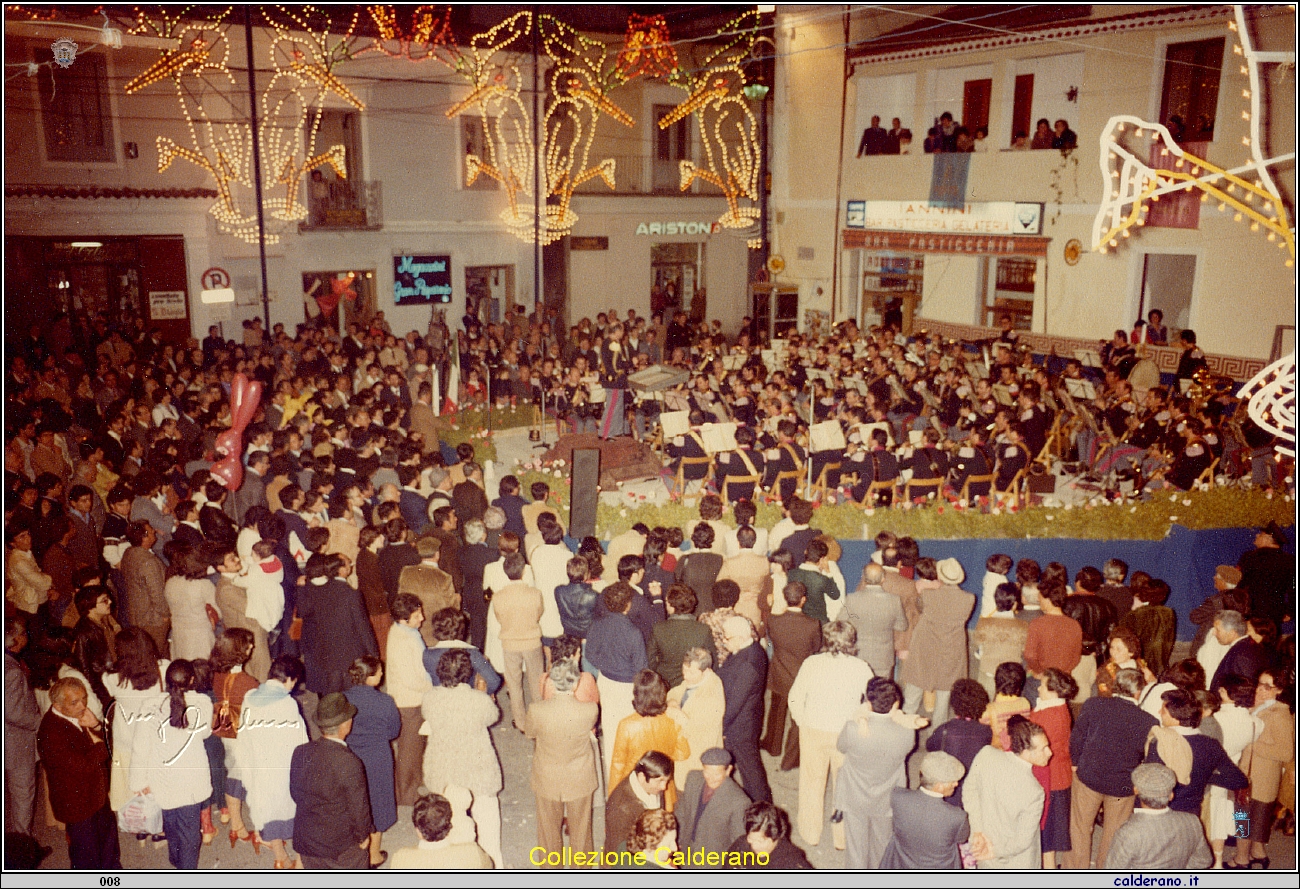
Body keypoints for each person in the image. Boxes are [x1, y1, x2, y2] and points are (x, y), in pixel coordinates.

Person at [787, 619, 876, 847]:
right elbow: (871, 702)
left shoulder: (811, 663)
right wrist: (860, 719)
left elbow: (795, 696)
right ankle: (842, 838)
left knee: (811, 783)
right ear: (851, 642)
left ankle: (810, 833)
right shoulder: (861, 667)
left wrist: (802, 720)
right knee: (844, 787)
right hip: (845, 733)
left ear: (826, 640)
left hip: (813, 730)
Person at [1064, 667, 1158, 869]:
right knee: (1114, 833)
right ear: (1138, 691)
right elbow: (1147, 757)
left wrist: (1074, 765)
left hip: (1088, 776)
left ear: (1115, 685)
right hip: (1122, 786)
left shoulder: (1093, 704)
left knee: (1079, 828)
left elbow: (1077, 737)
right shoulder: (1148, 721)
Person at [422, 649, 504, 868]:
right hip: (477, 767)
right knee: (487, 818)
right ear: (467, 672)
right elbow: (493, 716)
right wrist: (484, 693)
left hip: (443, 768)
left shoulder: (430, 698)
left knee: (448, 825)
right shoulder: (478, 700)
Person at [129, 659, 213, 870]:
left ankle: (177, 862)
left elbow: (140, 746)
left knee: (171, 825)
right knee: (189, 832)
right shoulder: (201, 703)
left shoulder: (149, 706)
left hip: (162, 779)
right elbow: (204, 732)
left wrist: (138, 781)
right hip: (191, 780)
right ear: (192, 680)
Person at [836, 677, 921, 869]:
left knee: (856, 848)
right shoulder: (907, 732)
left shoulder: (853, 728)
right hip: (887, 797)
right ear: (895, 704)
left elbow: (841, 747)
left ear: (868, 702)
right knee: (882, 844)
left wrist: (860, 716)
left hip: (855, 794)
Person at [37, 677, 121, 869]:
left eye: (83, 698)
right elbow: (83, 765)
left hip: (96, 794)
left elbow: (107, 744)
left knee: (108, 844)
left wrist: (97, 726)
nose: (83, 705)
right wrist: (102, 745)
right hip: (76, 804)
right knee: (86, 856)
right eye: (74, 702)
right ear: (57, 705)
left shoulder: (75, 715)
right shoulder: (50, 732)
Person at [526, 658, 599, 866]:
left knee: (548, 832)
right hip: (580, 778)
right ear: (576, 684)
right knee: (581, 832)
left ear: (551, 682)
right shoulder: (590, 710)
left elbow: (530, 733)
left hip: (547, 777)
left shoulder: (536, 710)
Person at [238, 654, 308, 869]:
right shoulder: (287, 704)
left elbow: (244, 737)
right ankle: (300, 861)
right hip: (282, 770)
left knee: (268, 811)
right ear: (289, 679)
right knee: (297, 813)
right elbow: (301, 742)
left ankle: (280, 858)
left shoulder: (249, 698)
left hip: (259, 768)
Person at [290, 692, 374, 869]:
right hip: (339, 848)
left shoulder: (300, 751)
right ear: (346, 724)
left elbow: (295, 794)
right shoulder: (349, 761)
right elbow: (359, 808)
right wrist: (363, 837)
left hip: (307, 841)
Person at [963, 715, 1052, 869]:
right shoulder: (1035, 792)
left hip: (984, 850)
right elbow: (1023, 840)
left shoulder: (986, 754)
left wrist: (977, 830)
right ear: (1026, 752)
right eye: (1043, 748)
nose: (1050, 752)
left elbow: (970, 791)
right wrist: (994, 851)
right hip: (1016, 861)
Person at [1231, 668, 1294, 868]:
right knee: (1252, 820)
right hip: (1248, 773)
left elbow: (1286, 752)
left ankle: (1241, 858)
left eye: (1268, 687)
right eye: (1260, 684)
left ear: (1279, 690)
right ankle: (1258, 853)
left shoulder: (1280, 714)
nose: (1261, 689)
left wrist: (1252, 743)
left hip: (1262, 778)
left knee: (1245, 819)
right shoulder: (1259, 707)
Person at [900, 557, 974, 725]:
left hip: (925, 646)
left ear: (939, 576)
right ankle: (938, 733)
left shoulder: (927, 595)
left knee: (914, 691)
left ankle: (906, 726)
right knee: (944, 694)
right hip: (951, 650)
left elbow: (919, 608)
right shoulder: (969, 598)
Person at [343, 655, 401, 868]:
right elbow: (393, 731)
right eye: (379, 672)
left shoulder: (342, 698)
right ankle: (374, 855)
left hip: (349, 754)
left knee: (353, 800)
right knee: (377, 801)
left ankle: (355, 850)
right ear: (370, 677)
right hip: (377, 756)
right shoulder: (385, 701)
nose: (382, 674)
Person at [761, 581, 822, 770]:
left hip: (779, 673)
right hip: (801, 676)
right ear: (803, 600)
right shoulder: (813, 624)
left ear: (785, 598)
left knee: (776, 711)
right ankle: (791, 759)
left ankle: (773, 746)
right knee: (798, 719)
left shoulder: (773, 620)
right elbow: (816, 647)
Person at [299, 552, 378, 696]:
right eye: (348, 563)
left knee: (333, 695)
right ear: (342, 570)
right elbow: (363, 627)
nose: (351, 566)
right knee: (353, 695)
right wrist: (373, 653)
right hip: (350, 654)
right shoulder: (352, 594)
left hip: (327, 654)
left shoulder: (319, 591)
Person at [210, 629, 260, 852]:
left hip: (225, 726)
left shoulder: (218, 674)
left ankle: (235, 821)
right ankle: (237, 826)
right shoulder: (247, 681)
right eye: (248, 645)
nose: (252, 648)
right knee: (238, 774)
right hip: (242, 732)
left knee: (233, 768)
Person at [1107, 763, 1212, 869]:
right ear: (1171, 795)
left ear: (1136, 790)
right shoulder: (1192, 822)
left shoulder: (1128, 832)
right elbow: (1204, 860)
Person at [878, 751, 970, 870]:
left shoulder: (898, 797)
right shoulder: (957, 816)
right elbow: (962, 839)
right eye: (952, 781)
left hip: (901, 865)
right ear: (939, 786)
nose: (956, 784)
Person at [716, 614, 770, 804]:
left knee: (751, 773)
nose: (723, 641)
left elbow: (735, 704)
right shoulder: (748, 648)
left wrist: (720, 727)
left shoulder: (748, 663)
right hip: (745, 720)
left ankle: (763, 809)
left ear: (740, 637)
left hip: (740, 727)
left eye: (726, 637)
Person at [676, 747, 751, 866]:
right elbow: (681, 813)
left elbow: (738, 842)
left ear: (728, 771)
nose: (710, 778)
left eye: (716, 774)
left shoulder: (739, 802)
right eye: (707, 772)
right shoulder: (693, 779)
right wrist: (676, 841)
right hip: (685, 851)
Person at [925, 678, 992, 809]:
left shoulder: (945, 729)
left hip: (949, 785)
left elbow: (930, 746)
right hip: (972, 786)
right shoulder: (986, 731)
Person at [5, 617, 43, 843]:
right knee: (22, 795)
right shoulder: (11, 671)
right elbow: (14, 713)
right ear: (16, 639)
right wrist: (41, 722)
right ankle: (23, 847)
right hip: (14, 742)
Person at [391, 792, 493, 869]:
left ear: (417, 830)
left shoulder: (401, 859)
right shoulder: (472, 852)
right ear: (449, 825)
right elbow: (489, 867)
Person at [840, 562, 907, 678]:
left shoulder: (852, 599)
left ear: (864, 579)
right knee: (882, 692)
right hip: (883, 657)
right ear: (883, 579)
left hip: (858, 655)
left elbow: (840, 622)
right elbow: (902, 626)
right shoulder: (894, 600)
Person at [605, 751, 674, 858]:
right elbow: (618, 850)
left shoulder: (653, 786)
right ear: (642, 777)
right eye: (660, 781)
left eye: (666, 781)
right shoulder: (621, 808)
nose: (664, 787)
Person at [164, 544, 220, 661]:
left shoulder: (170, 582)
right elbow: (218, 612)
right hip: (200, 636)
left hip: (179, 634)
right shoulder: (203, 585)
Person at [724, 801, 813, 869]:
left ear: (776, 837)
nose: (753, 846)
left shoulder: (792, 863)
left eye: (760, 841)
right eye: (750, 839)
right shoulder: (740, 846)